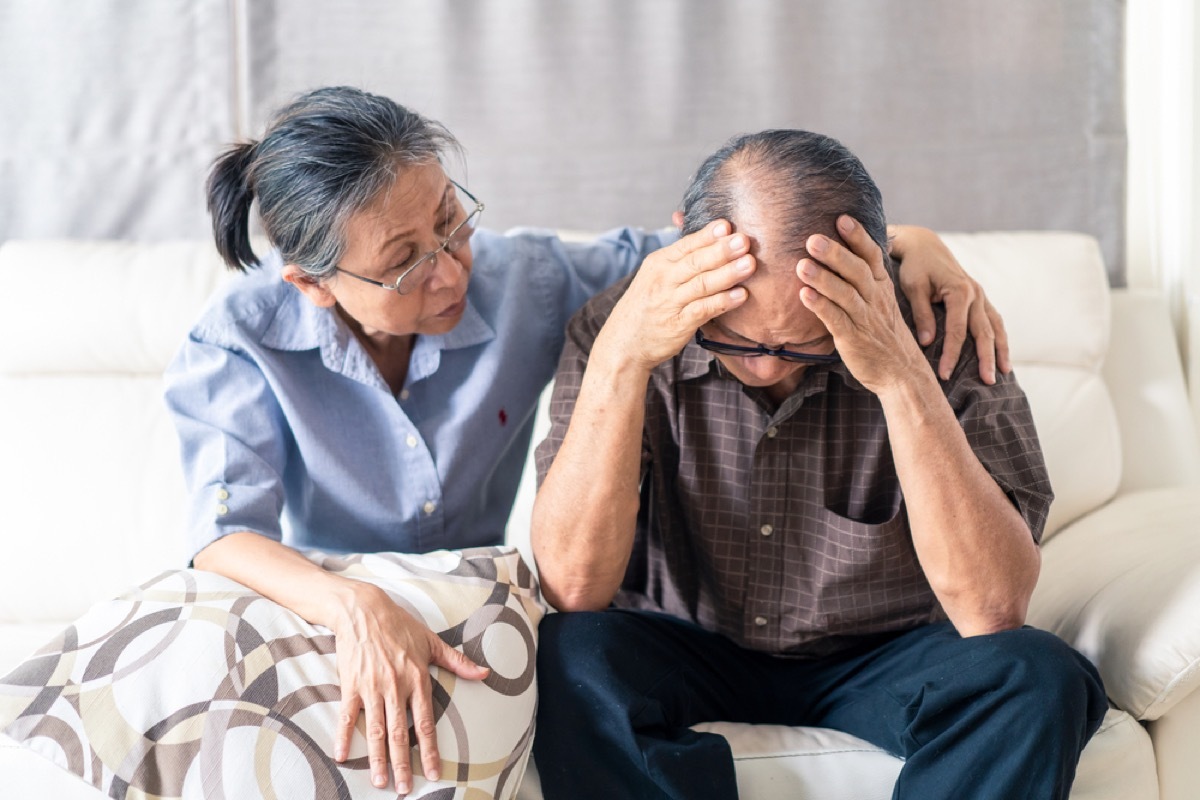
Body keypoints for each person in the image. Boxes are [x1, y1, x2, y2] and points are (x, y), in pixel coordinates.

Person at [165, 86, 1010, 796]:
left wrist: (913, 246)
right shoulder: (236, 341)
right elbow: (223, 534)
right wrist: (354, 606)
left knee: (1038, 678)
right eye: (406, 262)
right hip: (325, 600)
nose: (453, 270)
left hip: (469, 601)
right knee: (565, 662)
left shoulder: (524, 277)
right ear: (313, 284)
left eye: (452, 223)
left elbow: (732, 252)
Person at [530, 129, 1108, 799]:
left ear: (868, 271)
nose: (768, 365)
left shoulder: (938, 328)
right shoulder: (621, 327)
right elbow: (573, 589)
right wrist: (623, 361)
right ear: (687, 242)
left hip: (882, 652)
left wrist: (901, 377)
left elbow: (992, 608)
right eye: (733, 338)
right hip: (683, 639)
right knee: (570, 655)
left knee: (1038, 674)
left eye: (806, 345)